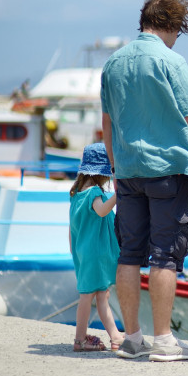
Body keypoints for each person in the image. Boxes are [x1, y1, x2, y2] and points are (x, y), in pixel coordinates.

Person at [101, 0, 188, 362]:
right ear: (172, 25)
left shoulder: (113, 63)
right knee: (164, 256)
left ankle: (131, 340)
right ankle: (164, 341)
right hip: (167, 173)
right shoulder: (171, 60)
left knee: (129, 254)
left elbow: (107, 124)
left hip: (127, 172)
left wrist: (116, 170)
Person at [69, 143, 124, 352]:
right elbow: (101, 212)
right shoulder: (94, 193)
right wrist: (118, 195)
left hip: (82, 250)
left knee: (102, 294)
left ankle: (115, 335)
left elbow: (71, 227)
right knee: (88, 296)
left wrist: (74, 250)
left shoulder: (75, 192)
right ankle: (79, 339)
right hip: (96, 251)